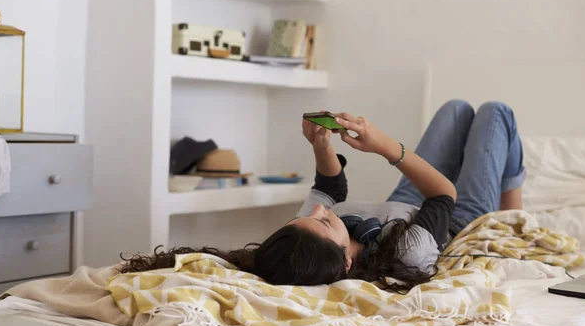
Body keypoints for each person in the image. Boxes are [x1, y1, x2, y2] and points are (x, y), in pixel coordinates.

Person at [121, 100, 526, 293]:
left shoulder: (302, 242)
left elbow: (330, 191)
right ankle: (515, 218)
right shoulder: (408, 252)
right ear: (347, 260)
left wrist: (321, 145)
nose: (317, 211)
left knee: (455, 110)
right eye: (323, 220)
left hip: (400, 205)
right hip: (454, 216)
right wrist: (385, 146)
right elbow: (442, 196)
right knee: (494, 114)